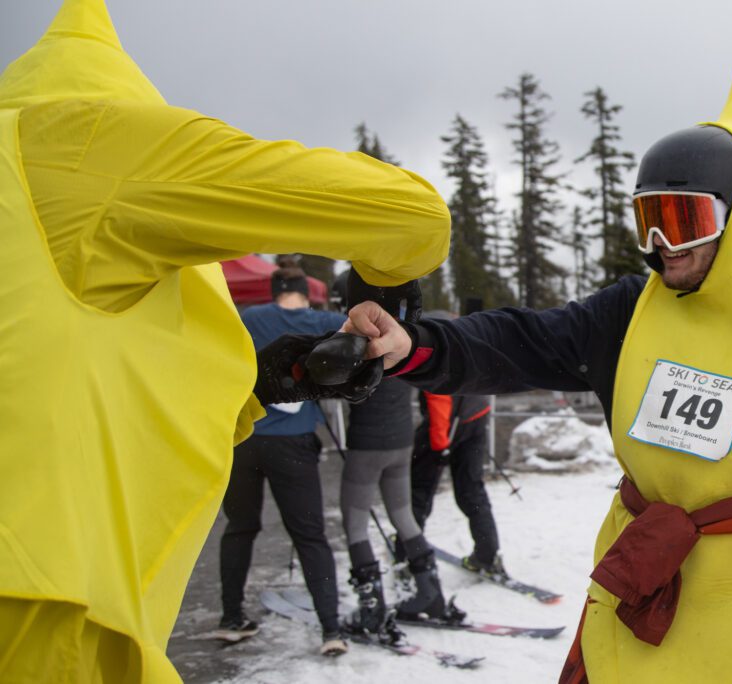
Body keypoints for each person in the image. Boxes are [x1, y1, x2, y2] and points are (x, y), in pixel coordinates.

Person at [338, 46, 732, 682]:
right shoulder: (632, 312)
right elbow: (525, 342)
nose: (661, 246)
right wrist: (416, 344)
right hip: (644, 577)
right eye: (648, 219)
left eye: (683, 220)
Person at [0, 1, 448, 681]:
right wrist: (383, 282)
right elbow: (410, 215)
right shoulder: (85, 147)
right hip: (38, 605)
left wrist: (258, 384)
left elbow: (48, 364)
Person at [216, 263, 347, 655]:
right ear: (306, 291)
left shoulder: (246, 318)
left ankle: (231, 618)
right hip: (293, 443)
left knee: (239, 528)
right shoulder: (323, 320)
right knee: (310, 536)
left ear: (273, 290)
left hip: (244, 439)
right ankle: (331, 629)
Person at [331, 274, 459, 638]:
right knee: (402, 514)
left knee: (354, 520)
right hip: (401, 440)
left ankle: (372, 607)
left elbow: (331, 384)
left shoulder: (353, 341)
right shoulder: (400, 336)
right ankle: (429, 591)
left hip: (367, 446)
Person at [409, 357, 502, 577]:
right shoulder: (464, 328)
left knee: (419, 493)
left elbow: (438, 393)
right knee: (471, 488)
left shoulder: (431, 328)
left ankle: (409, 554)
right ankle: (487, 554)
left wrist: (440, 445)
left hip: (445, 425)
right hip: (475, 415)